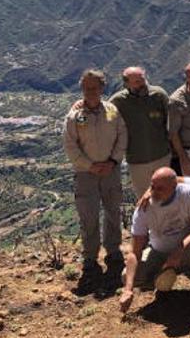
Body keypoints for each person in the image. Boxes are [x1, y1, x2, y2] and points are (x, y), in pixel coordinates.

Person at [63, 69, 127, 285]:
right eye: (86, 88)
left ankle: (113, 251)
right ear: (82, 89)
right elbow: (70, 146)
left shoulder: (112, 112)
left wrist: (113, 162)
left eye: (95, 87)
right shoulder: (75, 116)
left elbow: (122, 137)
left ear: (102, 88)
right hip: (85, 174)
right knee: (88, 216)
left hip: (111, 171)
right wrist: (89, 166)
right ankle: (90, 257)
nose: (90, 91)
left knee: (112, 212)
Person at [119, 167, 190, 313]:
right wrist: (128, 290)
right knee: (127, 276)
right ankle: (161, 281)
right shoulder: (144, 208)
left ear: (175, 187)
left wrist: (180, 250)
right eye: (152, 186)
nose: (154, 192)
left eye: (160, 188)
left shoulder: (188, 194)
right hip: (157, 251)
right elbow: (134, 253)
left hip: (186, 250)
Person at [108, 66, 172, 198]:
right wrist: (80, 104)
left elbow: (171, 123)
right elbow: (105, 116)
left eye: (142, 79)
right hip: (137, 162)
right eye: (136, 82)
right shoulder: (118, 101)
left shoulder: (159, 95)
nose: (142, 83)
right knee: (144, 199)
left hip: (162, 156)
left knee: (168, 195)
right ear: (126, 84)